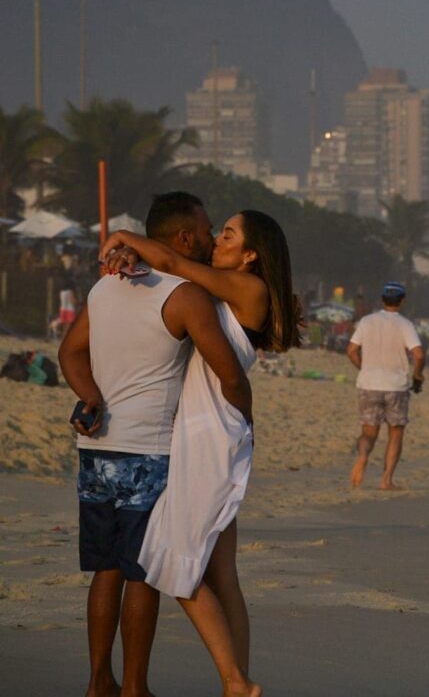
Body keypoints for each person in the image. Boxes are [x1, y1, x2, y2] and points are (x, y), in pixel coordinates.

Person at [59, 192, 258, 697]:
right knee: (142, 573)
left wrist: (91, 397)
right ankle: (135, 687)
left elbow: (69, 352)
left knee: (105, 570)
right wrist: (244, 425)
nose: (213, 238)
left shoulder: (105, 289)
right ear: (185, 238)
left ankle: (98, 680)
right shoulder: (185, 297)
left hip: (97, 448)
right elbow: (228, 374)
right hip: (150, 452)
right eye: (209, 229)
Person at [99, 205, 301, 691]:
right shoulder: (227, 290)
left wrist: (125, 233)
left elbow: (178, 265)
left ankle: (236, 681)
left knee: (172, 561)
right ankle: (240, 681)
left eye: (228, 235)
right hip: (208, 430)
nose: (219, 240)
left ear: (250, 255)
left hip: (209, 436)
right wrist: (131, 253)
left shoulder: (247, 288)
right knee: (222, 573)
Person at [346, 281, 425, 490]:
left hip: (369, 384)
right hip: (396, 386)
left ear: (382, 300)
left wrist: (364, 368)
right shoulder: (405, 325)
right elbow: (419, 354)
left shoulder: (367, 321)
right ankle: (386, 480)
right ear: (402, 301)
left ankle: (362, 457)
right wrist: (418, 375)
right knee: (396, 433)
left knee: (368, 433)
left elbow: (351, 350)